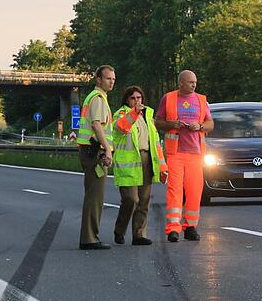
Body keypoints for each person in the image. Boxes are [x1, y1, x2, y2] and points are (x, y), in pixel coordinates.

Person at [155, 70, 214, 242]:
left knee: (194, 190)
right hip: (175, 153)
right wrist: (171, 124)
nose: (194, 85)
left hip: (195, 154)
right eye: (190, 82)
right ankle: (173, 228)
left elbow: (210, 123)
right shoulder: (168, 98)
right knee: (175, 190)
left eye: (195, 82)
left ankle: (190, 227)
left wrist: (200, 126)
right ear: (181, 83)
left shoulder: (201, 100)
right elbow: (157, 122)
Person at [110, 86, 167, 246]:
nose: (137, 101)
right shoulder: (121, 114)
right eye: (133, 98)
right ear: (127, 100)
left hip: (147, 159)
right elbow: (122, 127)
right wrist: (134, 112)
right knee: (130, 199)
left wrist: (162, 166)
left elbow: (155, 143)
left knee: (144, 200)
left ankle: (139, 234)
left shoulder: (147, 116)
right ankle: (119, 230)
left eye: (139, 98)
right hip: (128, 162)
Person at [75, 64, 115, 249]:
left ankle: (89, 237)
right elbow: (97, 125)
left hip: (90, 150)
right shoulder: (98, 98)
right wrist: (107, 149)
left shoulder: (95, 97)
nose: (111, 82)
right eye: (108, 78)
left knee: (93, 194)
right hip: (95, 151)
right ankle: (90, 238)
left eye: (113, 79)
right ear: (99, 79)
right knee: (95, 196)